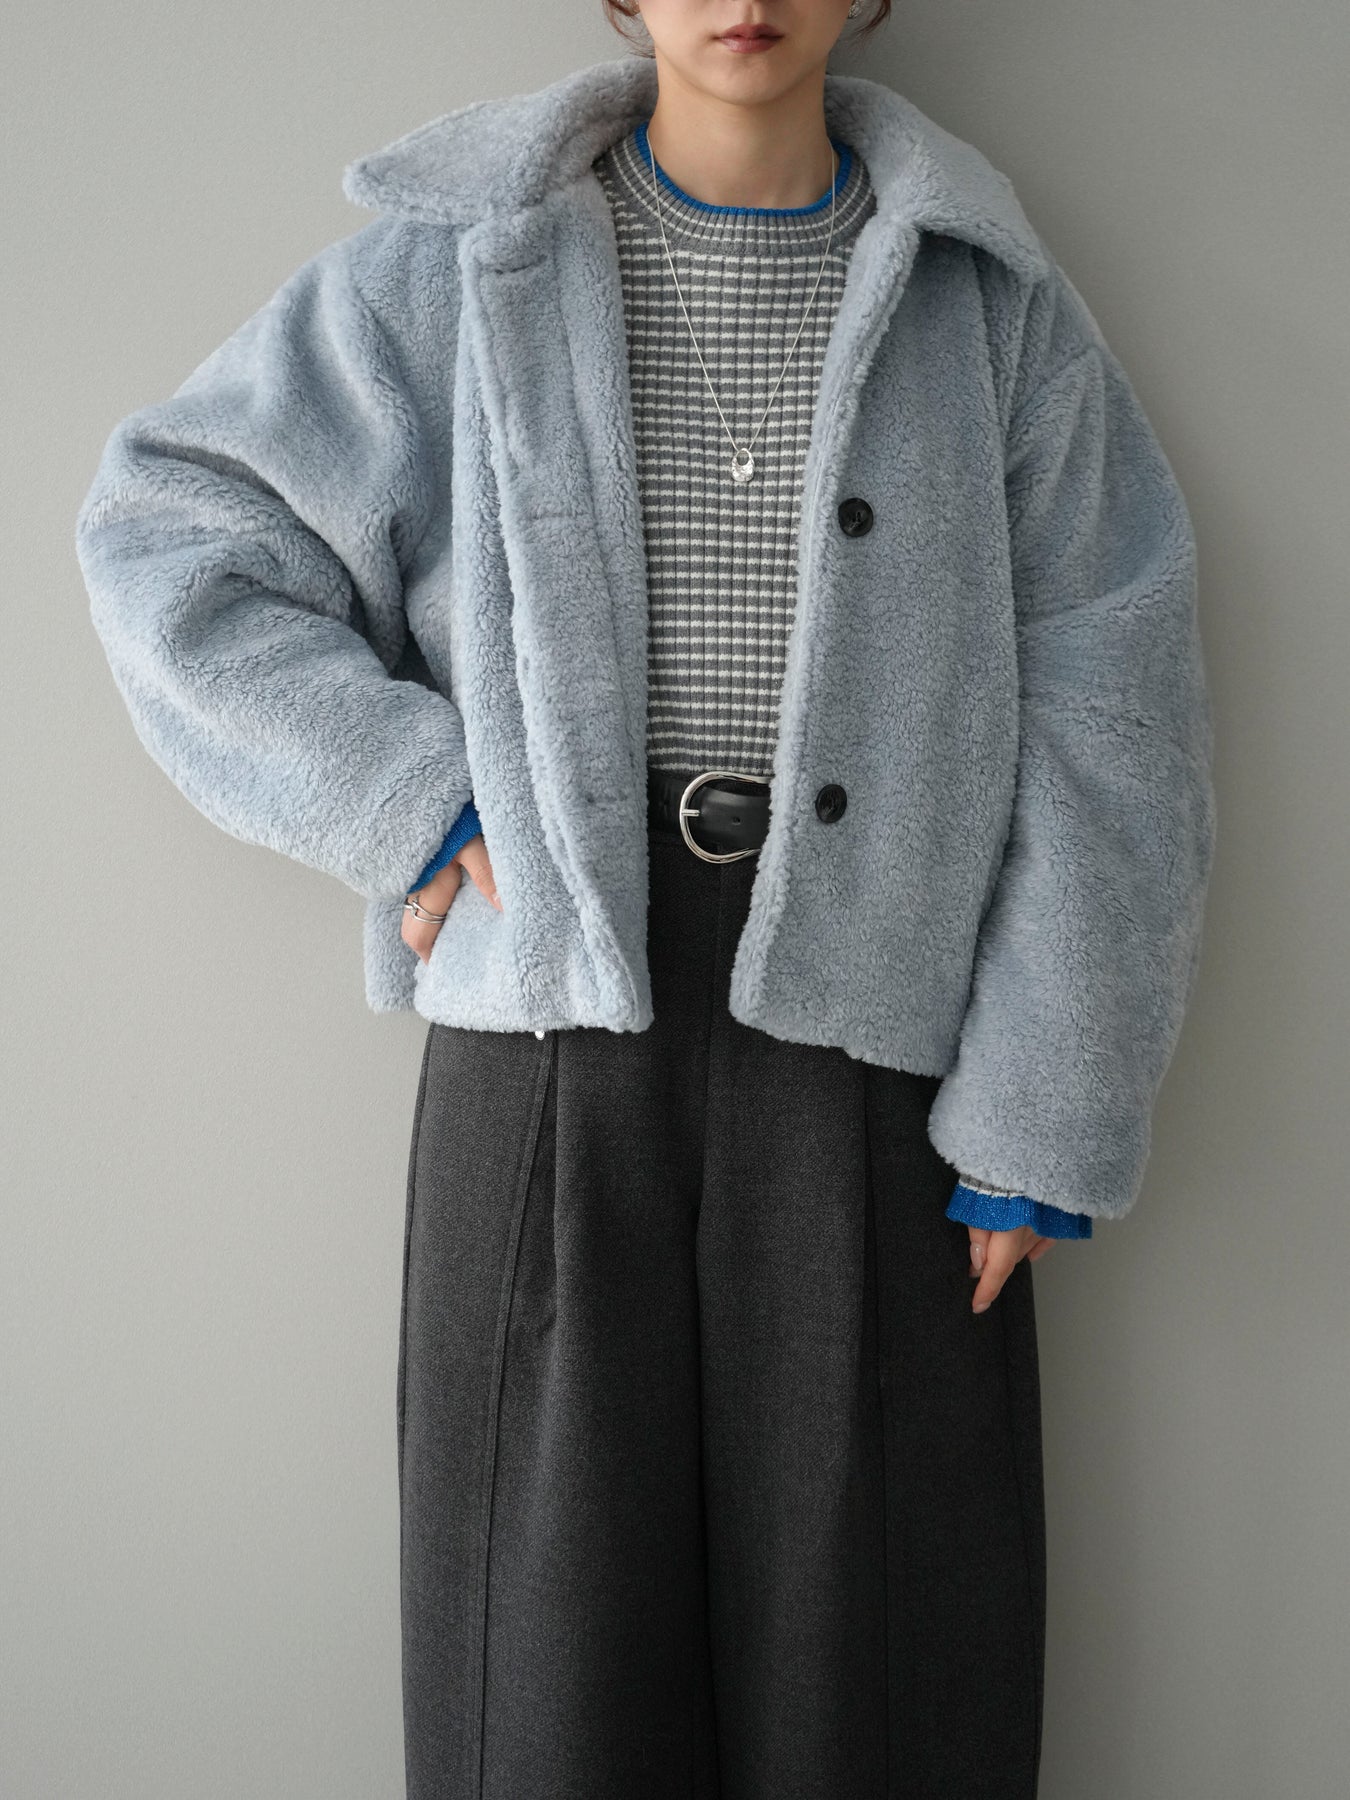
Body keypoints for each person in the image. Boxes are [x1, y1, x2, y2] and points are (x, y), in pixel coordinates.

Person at [75, 4, 1216, 1795]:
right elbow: (169, 530)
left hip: (882, 1035)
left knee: (875, 1655)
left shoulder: (984, 304)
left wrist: (1045, 1107)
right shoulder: (456, 267)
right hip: (549, 1017)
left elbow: (1111, 695)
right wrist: (406, 798)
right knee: (542, 1654)